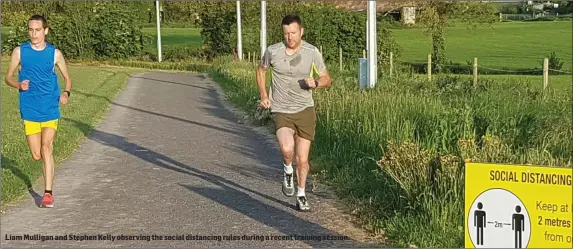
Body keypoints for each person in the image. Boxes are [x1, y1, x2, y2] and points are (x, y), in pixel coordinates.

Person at [256, 14, 332, 211]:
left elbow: (326, 79)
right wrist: (264, 95)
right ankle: (287, 170)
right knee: (287, 148)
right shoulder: (273, 51)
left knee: (303, 158)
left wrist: (315, 83)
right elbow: (261, 70)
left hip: (305, 109)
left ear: (301, 31)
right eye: (286, 33)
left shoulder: (311, 52)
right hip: (281, 108)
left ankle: (301, 194)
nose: (290, 37)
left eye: (293, 33)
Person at [4, 14, 72, 208]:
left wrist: (66, 93)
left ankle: (48, 193)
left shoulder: (55, 54)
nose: (34, 34)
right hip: (30, 109)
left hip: (50, 108)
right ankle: (47, 166)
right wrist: (17, 84)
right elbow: (7, 77)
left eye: (38, 30)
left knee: (46, 148)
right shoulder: (19, 52)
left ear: (46, 30)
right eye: (31, 30)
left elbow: (67, 79)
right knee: (36, 154)